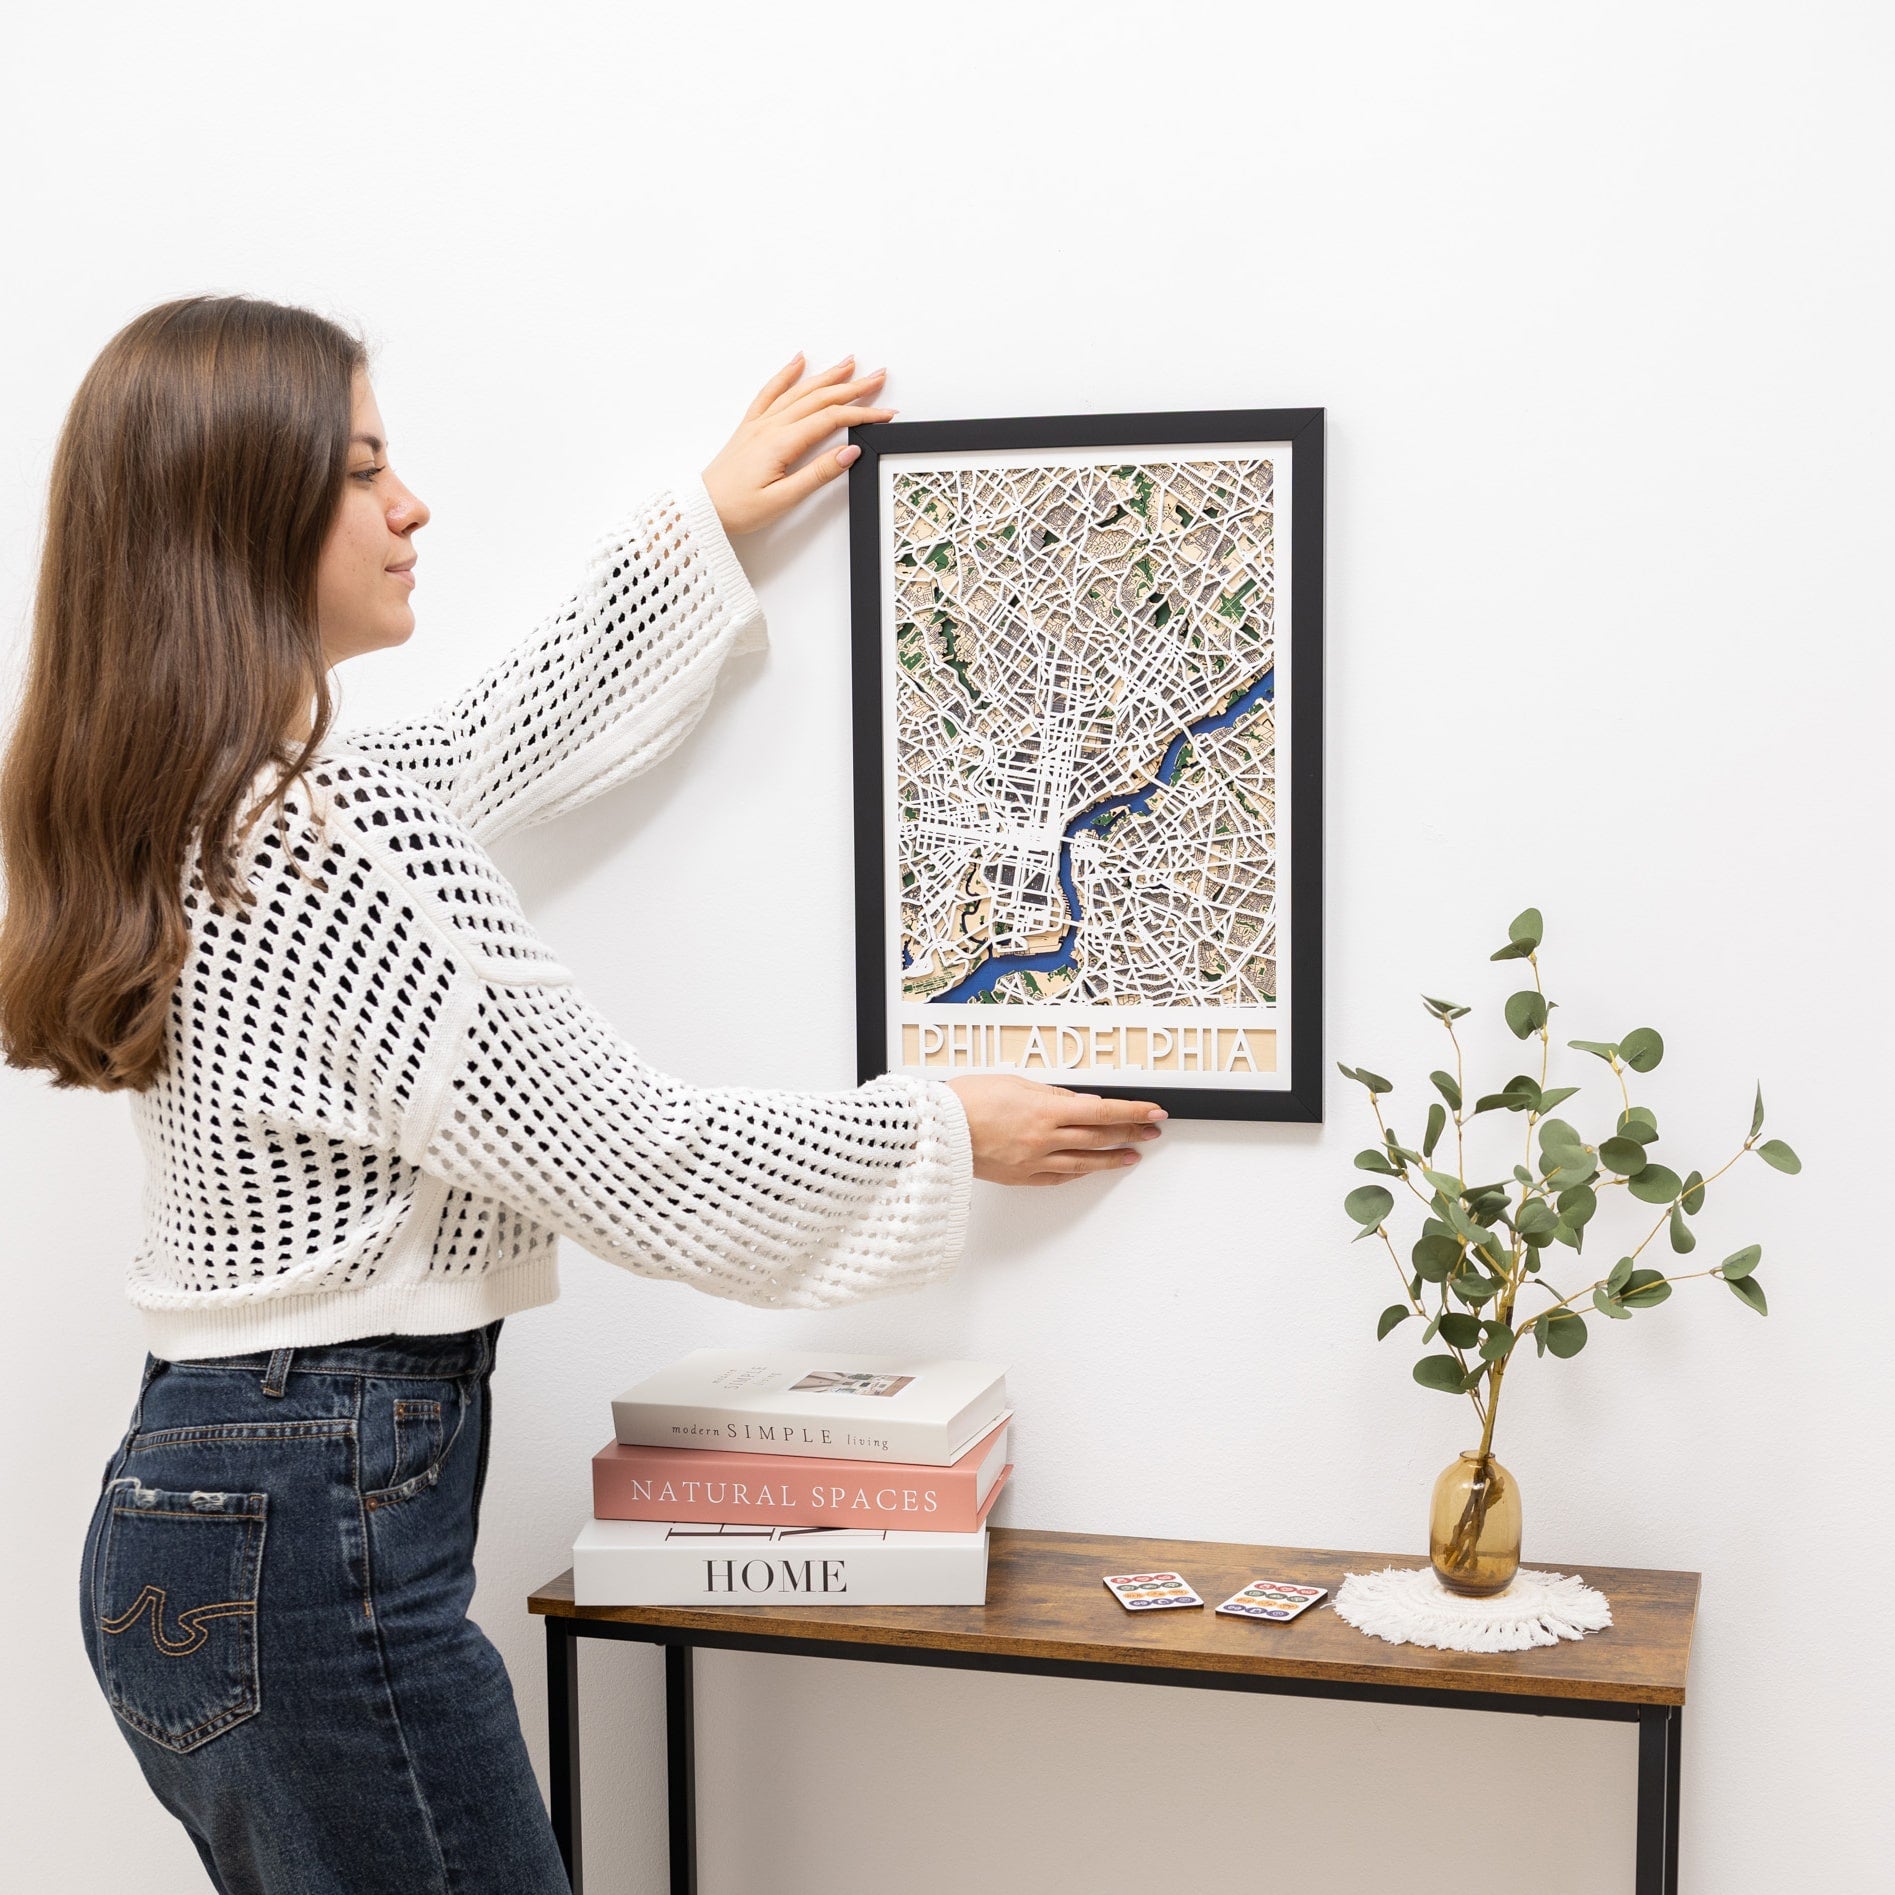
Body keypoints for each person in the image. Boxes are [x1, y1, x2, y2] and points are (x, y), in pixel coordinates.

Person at [0, 294, 1164, 1893]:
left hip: (186, 1531)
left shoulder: (201, 815)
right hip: (308, 1555)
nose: (411, 505)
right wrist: (944, 1132)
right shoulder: (345, 858)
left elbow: (485, 745)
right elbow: (644, 1164)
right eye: (359, 473)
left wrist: (700, 532)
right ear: (236, 516)